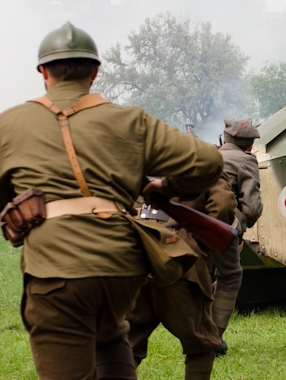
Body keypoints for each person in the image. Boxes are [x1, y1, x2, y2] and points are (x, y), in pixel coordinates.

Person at [0, 22, 223, 380]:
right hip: (122, 270)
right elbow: (209, 163)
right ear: (95, 72)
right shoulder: (130, 121)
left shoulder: (10, 123)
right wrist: (165, 187)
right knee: (108, 333)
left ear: (43, 72)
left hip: (57, 272)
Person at [127, 173, 237, 380]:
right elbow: (223, 205)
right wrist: (201, 244)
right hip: (179, 257)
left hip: (132, 256)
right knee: (201, 343)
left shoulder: (129, 161)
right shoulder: (198, 163)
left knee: (125, 343)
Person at [214, 118, 264, 355]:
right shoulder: (245, 160)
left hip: (190, 226)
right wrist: (240, 228)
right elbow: (252, 208)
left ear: (225, 139)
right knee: (230, 277)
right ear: (250, 146)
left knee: (200, 280)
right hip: (222, 230)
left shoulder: (207, 156)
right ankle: (212, 337)